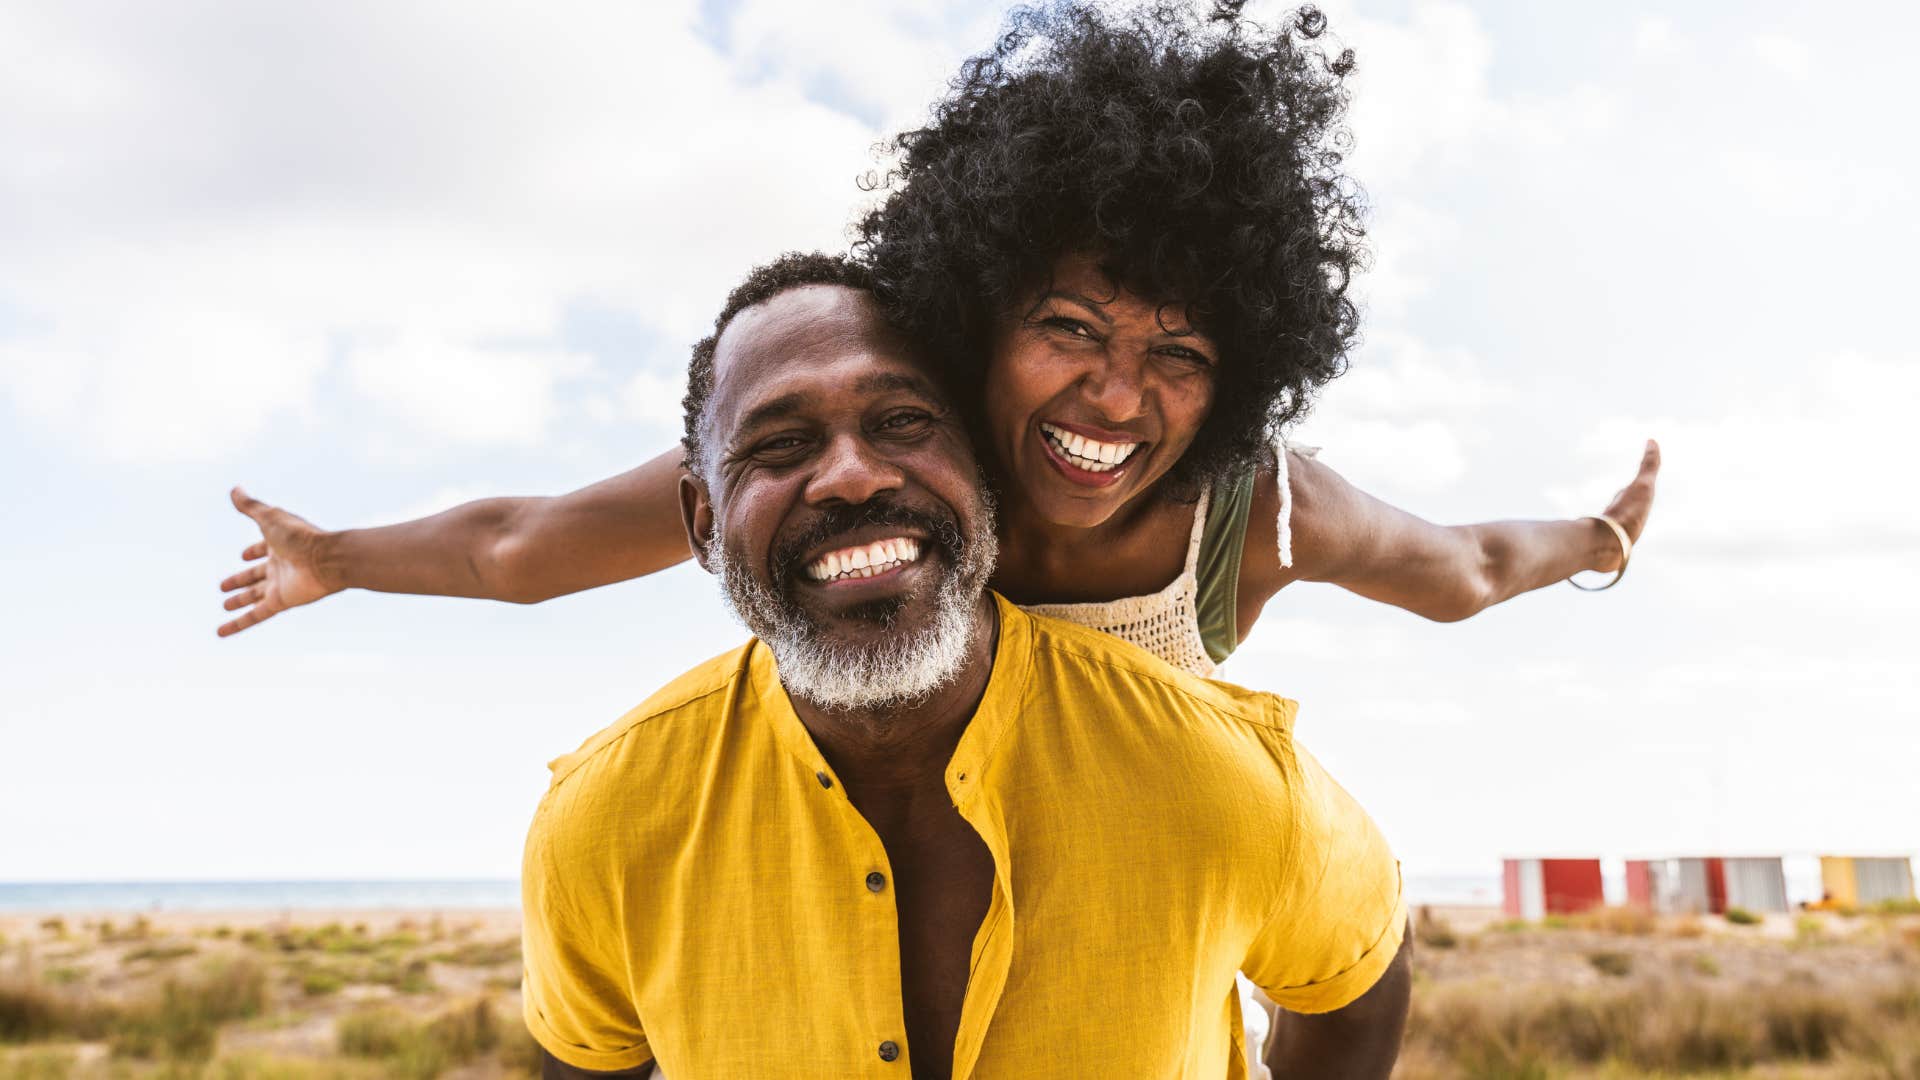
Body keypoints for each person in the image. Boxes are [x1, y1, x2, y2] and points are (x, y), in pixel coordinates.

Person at [218, 3, 1658, 669]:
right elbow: (523, 547)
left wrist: (1601, 539)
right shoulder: (891, 463)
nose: (1115, 395)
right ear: (977, 312)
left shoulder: (1255, 512)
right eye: (1069, 328)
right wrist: (334, 560)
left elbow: (1467, 570)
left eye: (1180, 353)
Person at [522, 254, 1409, 1080]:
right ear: (703, 523)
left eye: (904, 421)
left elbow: (1357, 980)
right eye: (781, 444)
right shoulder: (603, 822)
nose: (851, 478)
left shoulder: (1226, 779)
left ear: (980, 469)